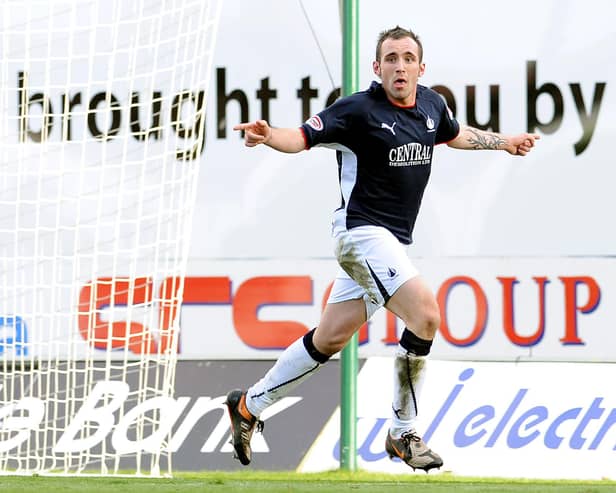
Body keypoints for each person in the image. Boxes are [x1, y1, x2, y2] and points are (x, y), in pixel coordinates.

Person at [226, 25, 540, 471]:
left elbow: (452, 134)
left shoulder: (432, 104)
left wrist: (504, 142)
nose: (399, 66)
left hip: (387, 242)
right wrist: (267, 133)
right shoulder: (356, 110)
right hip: (360, 234)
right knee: (426, 314)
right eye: (390, 58)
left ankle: (249, 406)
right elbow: (300, 137)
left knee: (329, 337)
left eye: (407, 58)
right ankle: (402, 432)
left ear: (420, 67)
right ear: (377, 67)